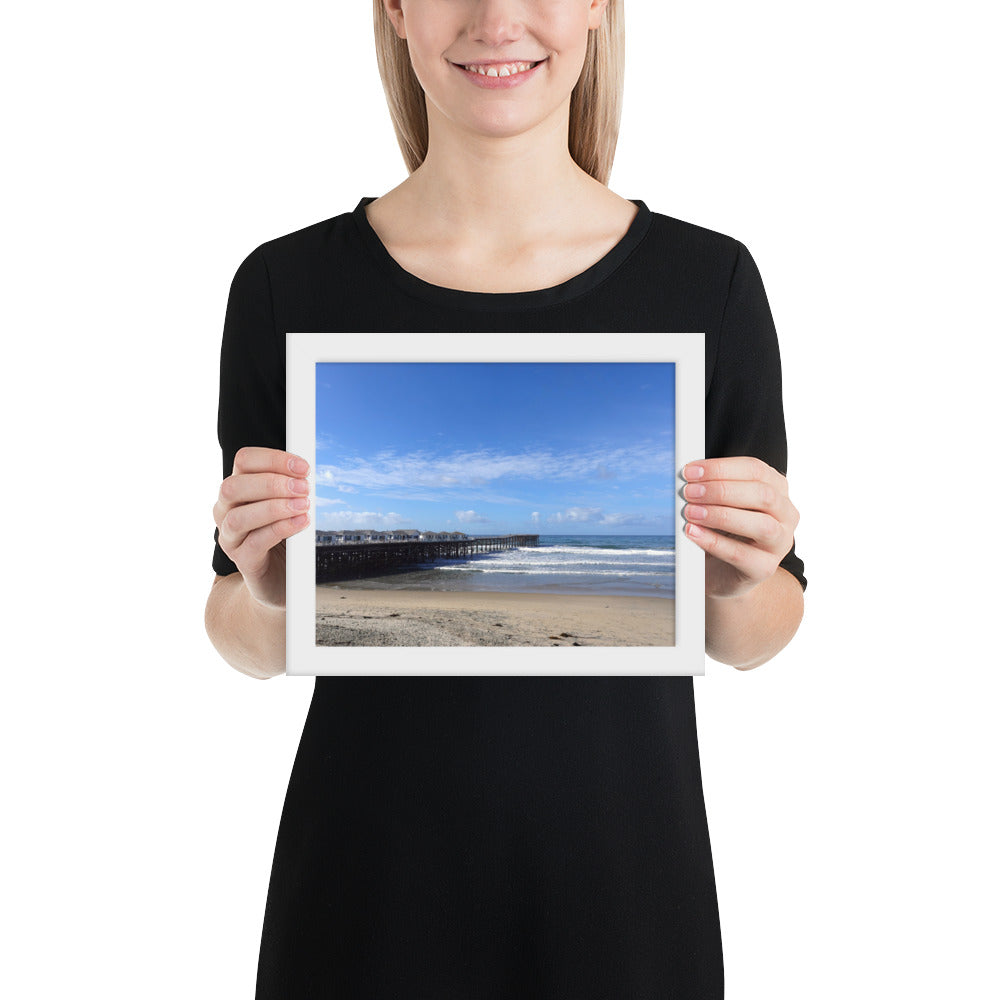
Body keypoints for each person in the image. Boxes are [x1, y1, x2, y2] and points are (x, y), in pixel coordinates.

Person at [205, 1, 807, 996]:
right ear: (396, 9)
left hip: (623, 890)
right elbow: (238, 632)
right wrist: (269, 585)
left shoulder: (708, 284)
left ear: (599, 9)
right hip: (365, 893)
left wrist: (742, 572)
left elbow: (756, 632)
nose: (497, 17)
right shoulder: (285, 286)